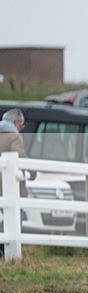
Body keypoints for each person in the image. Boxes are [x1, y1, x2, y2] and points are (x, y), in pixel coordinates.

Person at [0, 108, 32, 258]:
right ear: (17, 122)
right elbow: (19, 158)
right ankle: (10, 253)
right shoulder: (14, 136)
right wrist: (33, 170)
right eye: (22, 125)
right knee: (13, 221)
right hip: (8, 188)